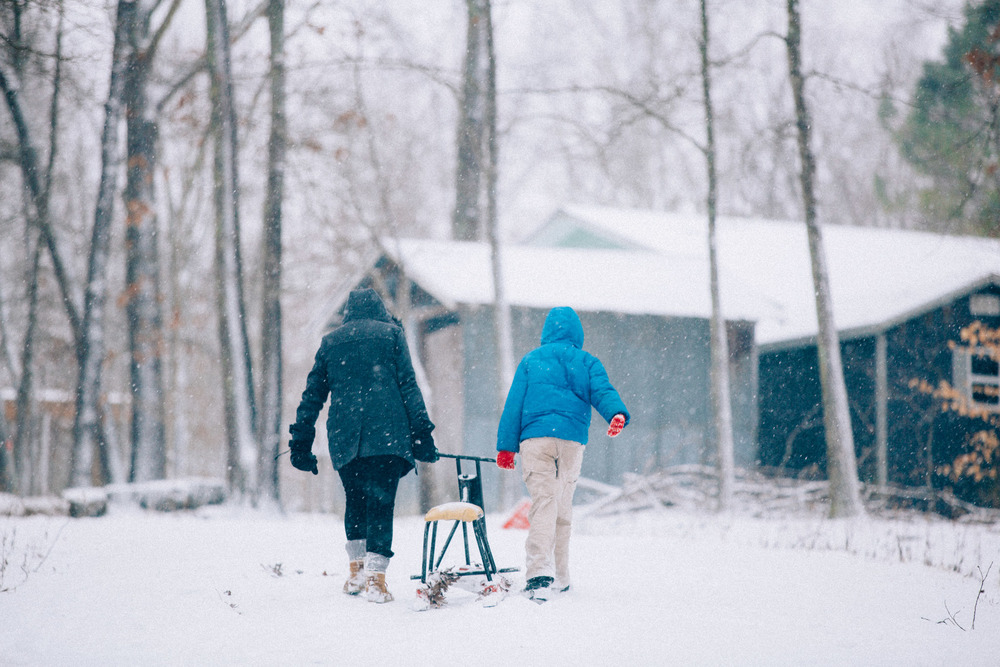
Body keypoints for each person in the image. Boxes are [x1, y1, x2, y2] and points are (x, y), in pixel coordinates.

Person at [288, 288, 437, 603]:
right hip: (388, 434)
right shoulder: (392, 335)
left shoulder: (331, 342)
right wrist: (422, 433)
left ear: (348, 313)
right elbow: (408, 384)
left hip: (346, 435)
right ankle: (376, 580)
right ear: (380, 310)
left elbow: (312, 394)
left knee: (355, 501)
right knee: (381, 502)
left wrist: (301, 440)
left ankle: (356, 572)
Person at [496, 306, 629, 598]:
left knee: (543, 502)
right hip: (570, 442)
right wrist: (615, 413)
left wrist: (506, 447)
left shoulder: (531, 360)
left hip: (535, 440)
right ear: (577, 334)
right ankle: (561, 574)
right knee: (562, 508)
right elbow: (603, 391)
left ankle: (538, 572)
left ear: (546, 332)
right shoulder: (586, 361)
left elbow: (514, 405)